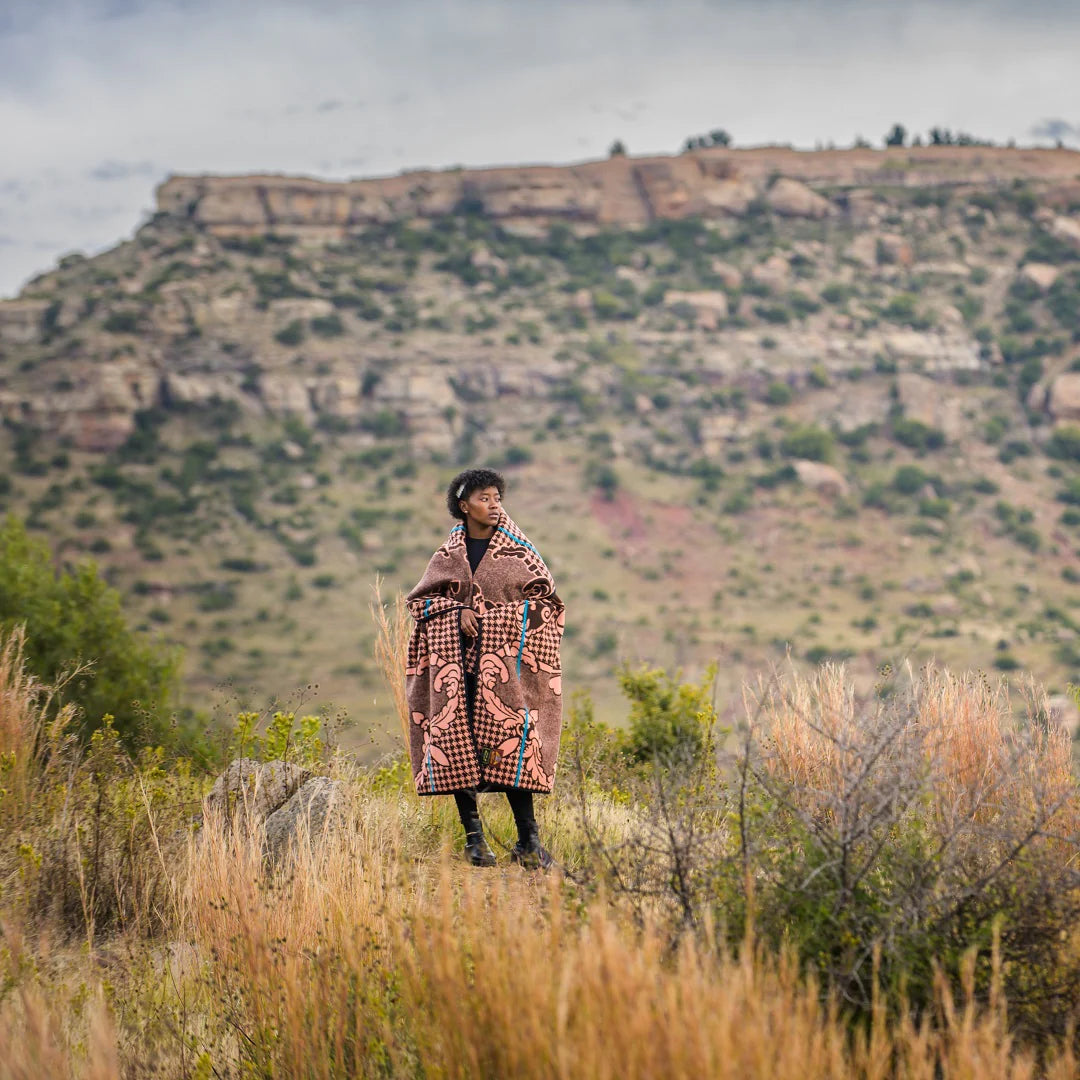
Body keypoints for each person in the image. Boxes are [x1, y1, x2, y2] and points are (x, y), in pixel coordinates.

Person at [405, 468, 565, 869]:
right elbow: (418, 604)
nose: (494, 505)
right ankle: (475, 841)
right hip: (455, 668)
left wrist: (494, 621)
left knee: (515, 742)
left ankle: (528, 842)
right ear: (464, 506)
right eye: (484, 498)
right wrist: (454, 610)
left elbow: (548, 605)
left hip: (508, 670)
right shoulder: (447, 555)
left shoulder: (519, 551)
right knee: (456, 739)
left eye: (497, 497)